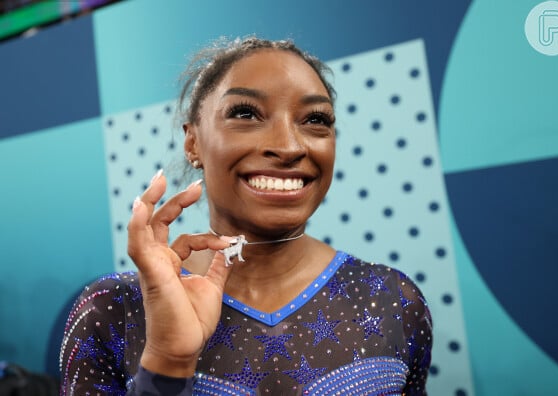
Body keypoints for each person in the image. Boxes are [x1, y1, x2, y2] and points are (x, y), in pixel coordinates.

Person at [60, 36, 432, 395]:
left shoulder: (393, 299)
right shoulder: (113, 310)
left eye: (315, 119)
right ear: (193, 142)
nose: (288, 147)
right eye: (245, 113)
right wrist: (168, 361)